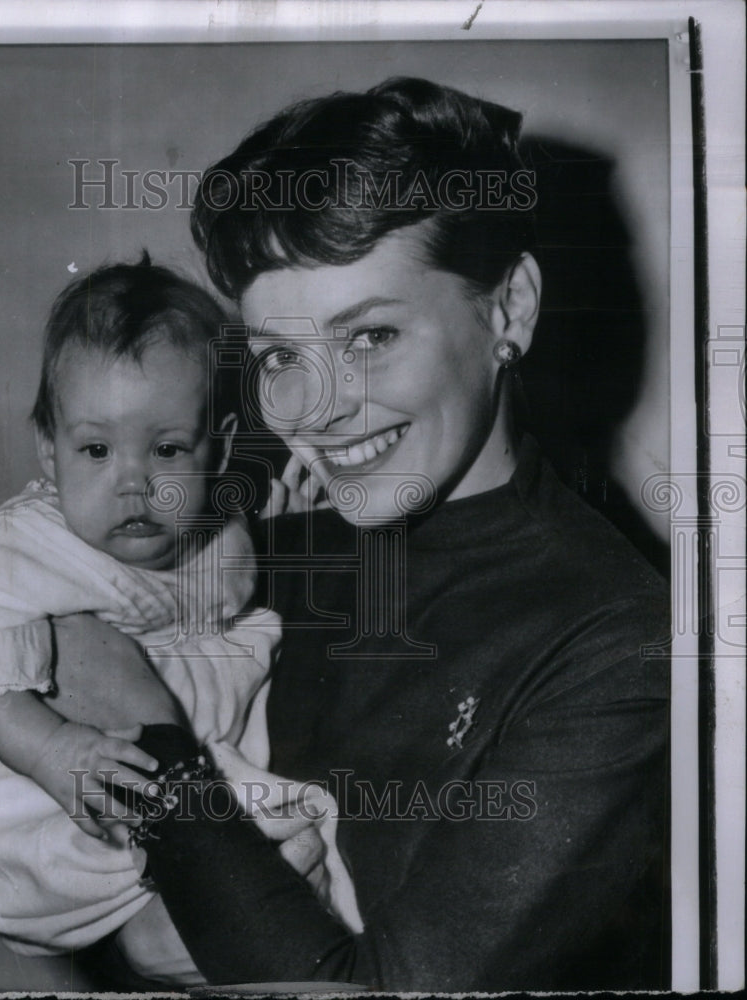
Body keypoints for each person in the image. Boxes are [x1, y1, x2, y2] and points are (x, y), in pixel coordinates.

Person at [51, 78, 671, 991]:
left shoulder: (619, 646)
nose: (317, 409)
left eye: (371, 337)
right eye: (279, 358)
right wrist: (131, 936)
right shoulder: (266, 555)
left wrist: (142, 728)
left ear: (509, 309)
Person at [0, 258, 300, 979]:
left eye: (165, 449)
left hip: (173, 772)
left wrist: (289, 503)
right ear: (47, 449)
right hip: (45, 804)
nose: (133, 482)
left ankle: (166, 923)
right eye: (95, 449)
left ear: (213, 449)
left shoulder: (217, 526)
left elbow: (240, 553)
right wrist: (52, 750)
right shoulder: (24, 546)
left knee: (290, 857)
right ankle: (157, 915)